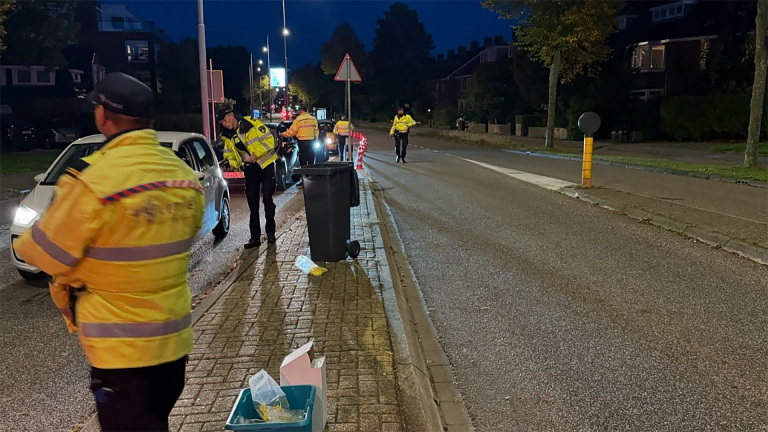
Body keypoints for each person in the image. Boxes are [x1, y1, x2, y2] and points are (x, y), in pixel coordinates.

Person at [13, 72, 204, 432]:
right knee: (155, 421)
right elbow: (185, 235)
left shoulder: (92, 180)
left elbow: (43, 253)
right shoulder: (182, 176)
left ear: (103, 116)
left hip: (121, 353)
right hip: (173, 344)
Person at [217, 107, 278, 248]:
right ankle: (255, 238)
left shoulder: (251, 123)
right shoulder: (228, 136)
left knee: (267, 199)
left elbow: (269, 140)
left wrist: (257, 153)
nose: (225, 124)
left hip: (266, 163)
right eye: (222, 123)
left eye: (225, 120)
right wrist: (231, 164)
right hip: (251, 168)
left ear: (231, 115)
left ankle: (270, 233)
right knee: (252, 201)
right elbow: (230, 155)